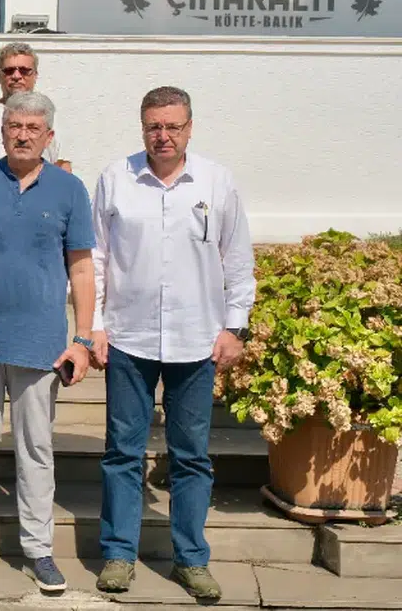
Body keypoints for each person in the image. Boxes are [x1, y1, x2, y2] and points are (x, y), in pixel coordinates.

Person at [91, 86, 256, 602]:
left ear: (190, 128)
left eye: (173, 126)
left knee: (191, 457)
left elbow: (237, 259)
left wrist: (234, 326)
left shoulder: (216, 180)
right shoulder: (115, 178)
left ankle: (191, 559)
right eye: (154, 126)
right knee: (122, 452)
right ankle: (119, 554)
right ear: (143, 127)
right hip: (129, 337)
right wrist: (95, 325)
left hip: (196, 339)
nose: (163, 136)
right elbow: (96, 258)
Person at [0, 91, 95, 593]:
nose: (23, 135)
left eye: (33, 128)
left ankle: (39, 549)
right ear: (3, 130)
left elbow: (81, 268)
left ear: (49, 136)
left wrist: (82, 338)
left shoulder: (70, 189)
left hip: (41, 340)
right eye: (15, 126)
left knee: (36, 448)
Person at [0, 42, 70, 171]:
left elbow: (62, 165)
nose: (16, 76)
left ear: (35, 76)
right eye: (9, 71)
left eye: (24, 71)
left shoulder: (47, 114)